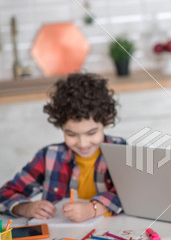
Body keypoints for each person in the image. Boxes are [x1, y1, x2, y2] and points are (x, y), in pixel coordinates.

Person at [0, 72, 126, 223]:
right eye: (71, 134)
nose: (83, 143)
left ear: (106, 123)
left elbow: (132, 192)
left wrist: (94, 208)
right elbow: (5, 193)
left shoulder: (119, 149)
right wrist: (25, 208)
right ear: (61, 127)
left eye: (91, 133)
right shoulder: (48, 156)